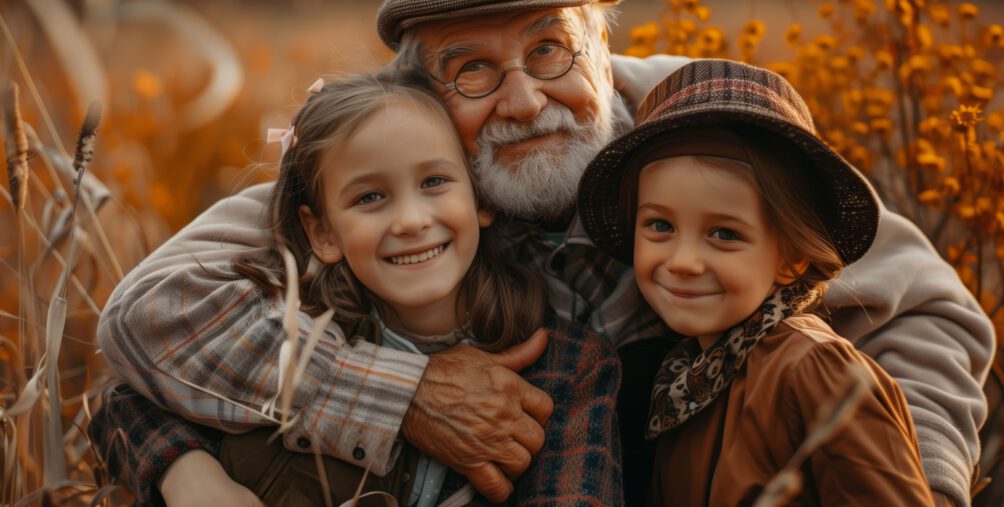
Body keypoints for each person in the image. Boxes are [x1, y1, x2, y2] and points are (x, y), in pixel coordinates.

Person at [96, 0, 994, 507]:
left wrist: (912, 487)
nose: (525, 101)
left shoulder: (702, 134)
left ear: (604, 54)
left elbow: (924, 309)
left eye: (550, 47)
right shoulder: (396, 173)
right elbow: (145, 315)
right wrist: (397, 393)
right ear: (423, 97)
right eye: (472, 70)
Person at [92, 70, 622, 506]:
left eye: (435, 182)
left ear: (481, 197)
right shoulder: (287, 329)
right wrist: (190, 477)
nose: (412, 220)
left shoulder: (566, 366)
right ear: (322, 232)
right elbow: (123, 398)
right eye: (370, 198)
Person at [577, 58, 932, 504]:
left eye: (724, 234)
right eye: (660, 227)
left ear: (793, 258)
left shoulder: (814, 369)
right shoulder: (683, 384)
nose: (683, 261)